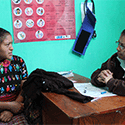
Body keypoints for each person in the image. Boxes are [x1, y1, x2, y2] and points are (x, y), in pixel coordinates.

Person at [0, 28, 28, 124]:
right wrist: (9, 106)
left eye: (11, 44)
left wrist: (12, 109)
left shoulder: (18, 62)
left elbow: (24, 87)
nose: (12, 48)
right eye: (7, 45)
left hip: (17, 107)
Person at [91, 29, 125, 96]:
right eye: (118, 43)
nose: (117, 48)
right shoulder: (116, 59)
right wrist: (100, 77)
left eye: (122, 46)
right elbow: (97, 73)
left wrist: (110, 82)